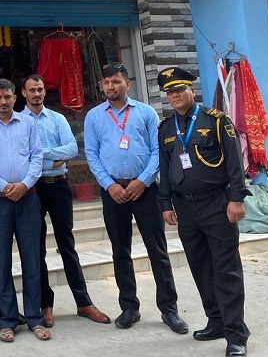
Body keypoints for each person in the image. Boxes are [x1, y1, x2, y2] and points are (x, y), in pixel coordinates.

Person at [83, 64, 188, 334]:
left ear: (127, 84)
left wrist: (143, 180)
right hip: (113, 192)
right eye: (106, 82)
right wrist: (109, 185)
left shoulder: (146, 112)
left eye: (116, 81)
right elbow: (92, 154)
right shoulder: (94, 116)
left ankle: (169, 309)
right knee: (120, 251)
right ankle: (129, 307)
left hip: (145, 190)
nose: (110, 87)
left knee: (158, 251)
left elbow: (157, 151)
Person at [157, 67, 251, 357]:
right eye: (170, 92)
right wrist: (165, 203)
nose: (175, 95)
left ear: (191, 90)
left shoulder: (216, 120)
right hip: (185, 208)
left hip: (217, 204)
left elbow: (234, 162)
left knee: (226, 270)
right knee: (200, 268)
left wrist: (236, 199)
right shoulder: (166, 128)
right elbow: (165, 167)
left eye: (179, 90)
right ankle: (216, 321)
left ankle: (236, 335)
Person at [21, 75, 110, 327]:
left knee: (67, 245)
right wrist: (52, 158)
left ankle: (83, 302)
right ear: (24, 93)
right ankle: (45, 305)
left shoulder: (57, 119)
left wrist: (39, 155)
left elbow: (71, 149)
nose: (37, 94)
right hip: (32, 189)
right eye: (32, 90)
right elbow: (20, 155)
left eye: (40, 89)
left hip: (59, 186)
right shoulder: (18, 122)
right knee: (36, 249)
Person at [0, 79, 49, 343]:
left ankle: (34, 318)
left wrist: (24, 184)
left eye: (7, 96)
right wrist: (4, 186)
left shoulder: (27, 123)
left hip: (28, 199)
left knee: (32, 259)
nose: (3, 101)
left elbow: (37, 157)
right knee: (1, 262)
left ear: (15, 98)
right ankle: (7, 319)